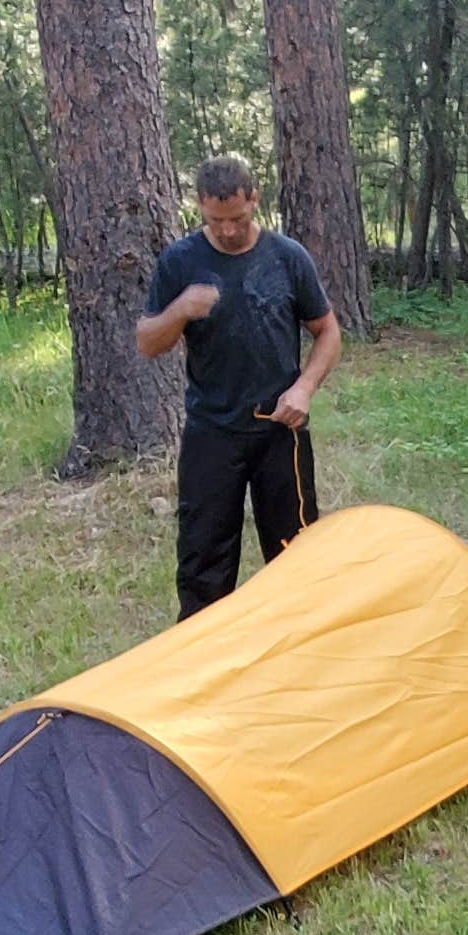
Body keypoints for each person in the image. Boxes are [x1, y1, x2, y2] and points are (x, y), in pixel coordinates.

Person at [135, 153, 341, 615]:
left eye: (238, 219)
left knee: (298, 552)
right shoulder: (181, 261)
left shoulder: (287, 257)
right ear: (199, 207)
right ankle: (204, 648)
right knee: (203, 560)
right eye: (216, 221)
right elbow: (147, 342)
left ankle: (299, 643)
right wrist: (180, 309)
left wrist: (304, 388)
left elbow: (327, 331)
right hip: (212, 431)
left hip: (280, 430)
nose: (228, 230)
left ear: (254, 200)